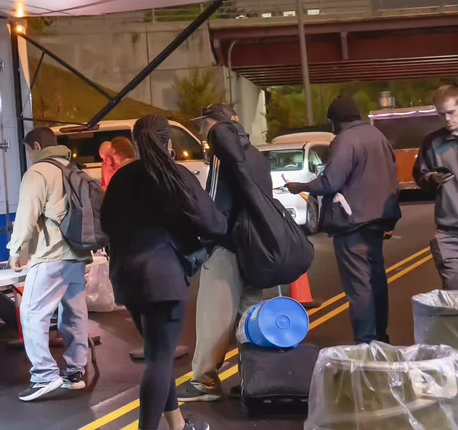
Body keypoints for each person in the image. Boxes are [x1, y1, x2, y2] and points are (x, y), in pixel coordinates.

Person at [104, 115, 224, 430]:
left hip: (127, 277)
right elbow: (210, 222)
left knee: (160, 353)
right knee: (159, 359)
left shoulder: (121, 178)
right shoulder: (175, 175)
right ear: (168, 142)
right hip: (164, 278)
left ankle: (178, 426)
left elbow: (105, 225)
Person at [286, 95, 401, 344]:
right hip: (377, 221)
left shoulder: (345, 140)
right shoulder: (377, 137)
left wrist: (301, 186)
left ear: (335, 121)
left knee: (359, 286)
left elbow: (331, 182)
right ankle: (380, 338)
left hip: (353, 225)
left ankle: (366, 342)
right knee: (376, 281)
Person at [178, 104, 270, 403]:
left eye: (204, 125)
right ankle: (256, 379)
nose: (203, 132)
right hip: (255, 246)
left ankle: (204, 381)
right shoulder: (255, 155)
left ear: (216, 125)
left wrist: (204, 238)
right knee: (249, 315)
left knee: (213, 314)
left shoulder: (222, 156)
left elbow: (215, 206)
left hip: (227, 245)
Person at [9, 127, 92, 402]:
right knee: (74, 314)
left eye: (28, 150)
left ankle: (44, 375)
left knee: (32, 313)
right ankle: (75, 372)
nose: (28, 155)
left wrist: (16, 250)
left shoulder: (37, 172)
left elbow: (26, 216)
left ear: (35, 146)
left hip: (51, 255)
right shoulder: (73, 168)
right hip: (78, 254)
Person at [415, 85, 458, 289]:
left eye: (451, 113)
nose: (447, 119)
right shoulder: (432, 143)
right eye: (441, 115)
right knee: (452, 290)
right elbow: (420, 176)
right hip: (448, 232)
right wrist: (431, 179)